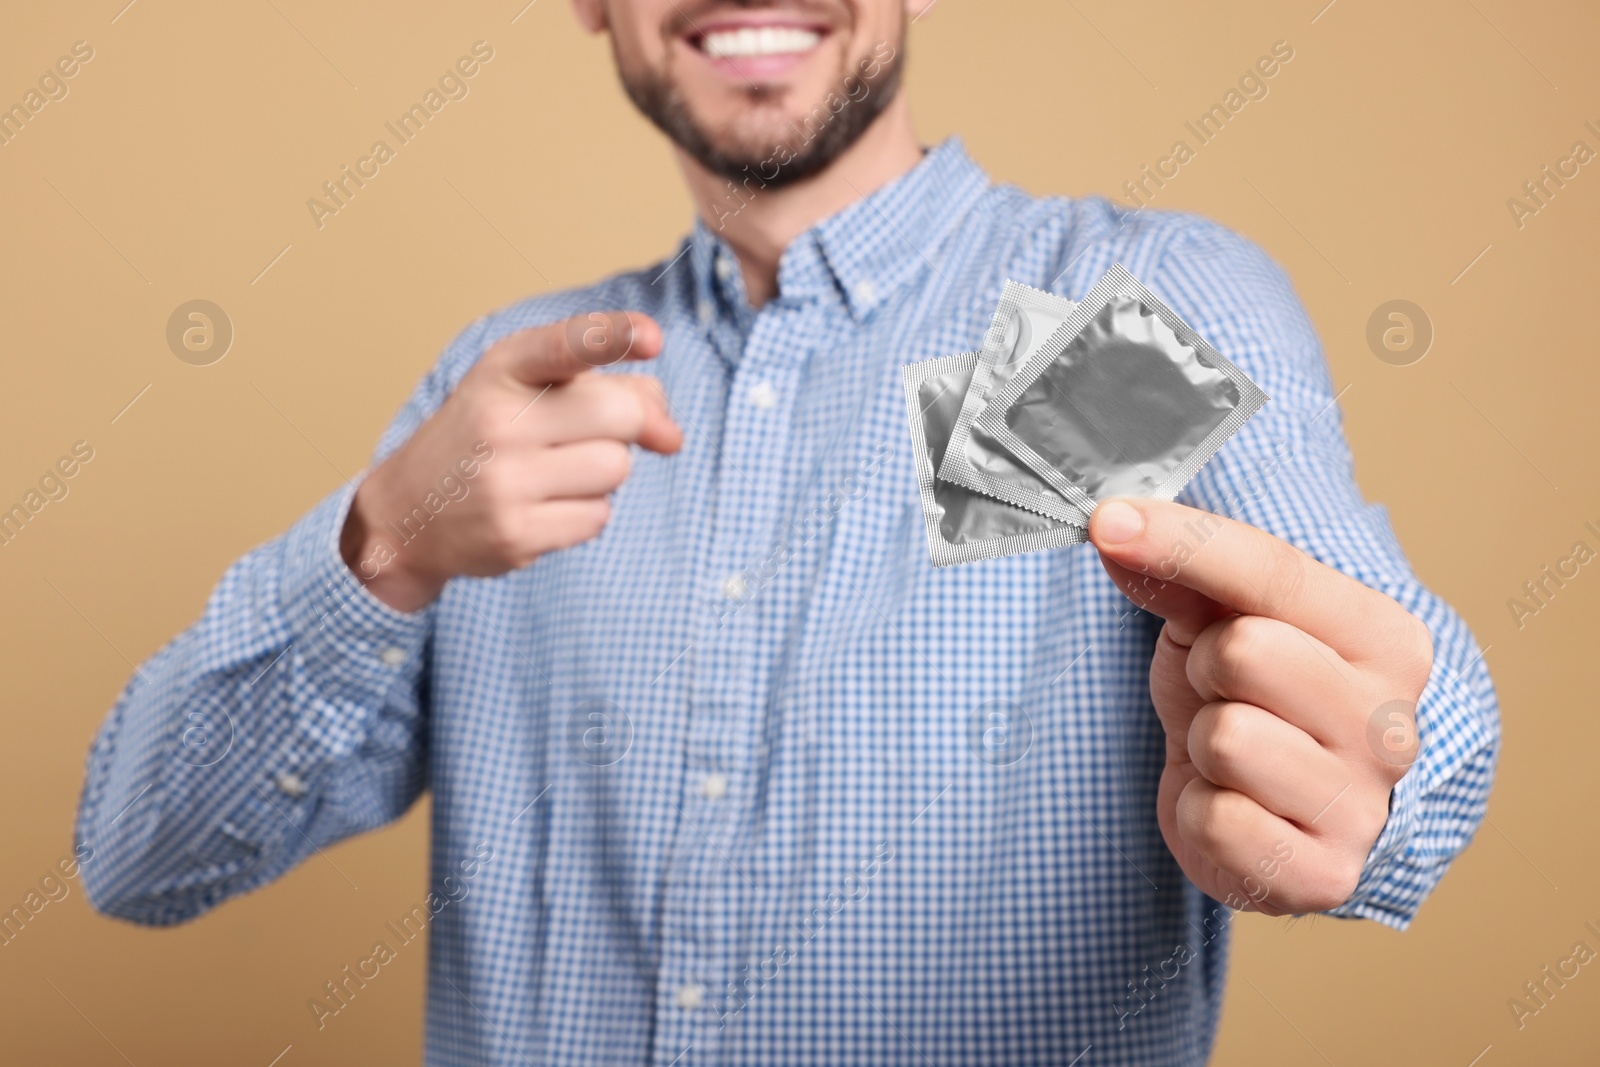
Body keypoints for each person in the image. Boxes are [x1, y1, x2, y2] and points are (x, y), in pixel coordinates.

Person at [75, 1, 1499, 1064]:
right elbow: (142, 858)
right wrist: (382, 547)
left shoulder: (1096, 324)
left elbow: (1385, 682)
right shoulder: (506, 395)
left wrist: (1368, 766)